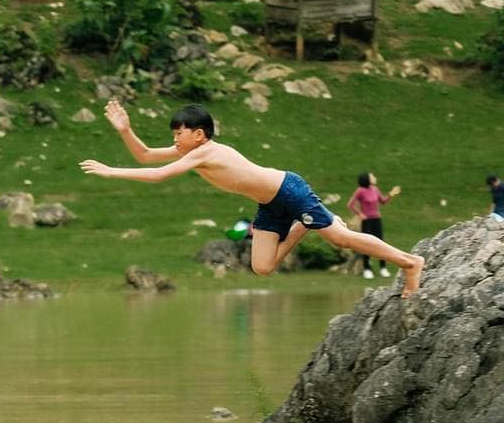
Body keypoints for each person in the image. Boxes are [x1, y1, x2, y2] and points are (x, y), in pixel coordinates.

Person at [80, 100, 424, 296]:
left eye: (178, 134)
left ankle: (410, 263)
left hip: (290, 189)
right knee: (262, 267)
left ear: (199, 135)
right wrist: (125, 130)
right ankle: (301, 229)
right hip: (271, 204)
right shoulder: (192, 151)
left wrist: (112, 171)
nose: (175, 140)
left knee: (340, 238)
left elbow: (157, 174)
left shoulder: (204, 153)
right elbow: (144, 157)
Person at [347, 172, 401, 280]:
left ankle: (383, 267)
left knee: (380, 242)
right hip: (367, 221)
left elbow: (383, 201)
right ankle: (367, 268)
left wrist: (391, 194)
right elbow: (350, 205)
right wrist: (360, 214)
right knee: (366, 244)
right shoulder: (360, 191)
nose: (375, 178)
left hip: (377, 219)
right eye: (372, 177)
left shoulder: (375, 189)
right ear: (367, 179)